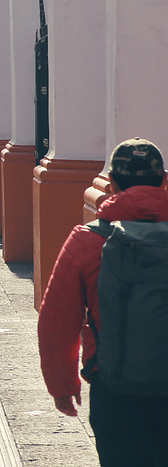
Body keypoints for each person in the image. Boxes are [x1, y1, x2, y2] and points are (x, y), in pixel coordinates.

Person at [38, 138, 168, 465]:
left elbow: (57, 322)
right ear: (164, 180)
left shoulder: (88, 239)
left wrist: (62, 386)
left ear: (110, 184)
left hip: (115, 387)